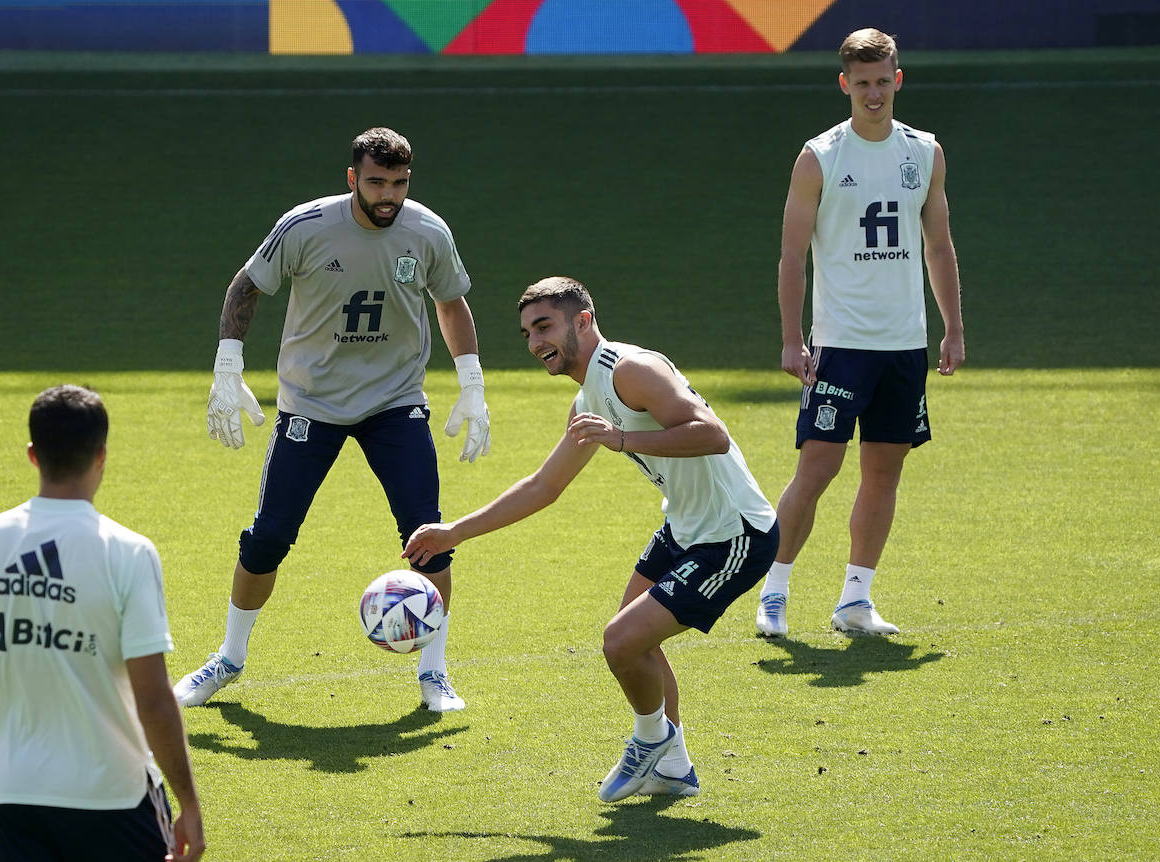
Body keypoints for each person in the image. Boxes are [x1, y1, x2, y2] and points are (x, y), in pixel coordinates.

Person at [403, 277, 779, 802]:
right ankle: (674, 766)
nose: (535, 343)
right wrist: (452, 532)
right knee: (634, 642)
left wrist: (622, 439)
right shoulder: (587, 398)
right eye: (527, 333)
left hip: (734, 533)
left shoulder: (631, 370)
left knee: (621, 641)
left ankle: (651, 741)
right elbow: (543, 486)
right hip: (684, 527)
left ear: (582, 321)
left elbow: (712, 434)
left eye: (544, 326)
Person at [175, 127, 489, 713]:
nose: (387, 194)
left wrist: (471, 383)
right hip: (311, 403)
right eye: (375, 182)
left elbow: (450, 301)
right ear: (353, 179)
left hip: (395, 399)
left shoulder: (427, 231)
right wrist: (227, 366)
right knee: (267, 538)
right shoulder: (306, 227)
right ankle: (229, 657)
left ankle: (434, 672)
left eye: (397, 183)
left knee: (429, 538)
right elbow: (248, 284)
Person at [0, 385, 204, 862]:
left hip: (12, 798)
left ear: (33, 454)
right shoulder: (127, 553)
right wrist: (188, 803)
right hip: (114, 795)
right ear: (102, 455)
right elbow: (152, 697)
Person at [756, 27, 965, 639]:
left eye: (883, 82)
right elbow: (792, 256)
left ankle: (855, 599)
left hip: (904, 344)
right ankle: (773, 590)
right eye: (862, 83)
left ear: (897, 80)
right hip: (840, 343)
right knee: (817, 468)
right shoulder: (819, 156)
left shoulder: (924, 152)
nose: (873, 94)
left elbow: (939, 244)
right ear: (845, 84)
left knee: (884, 472)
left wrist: (951, 328)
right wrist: (793, 339)